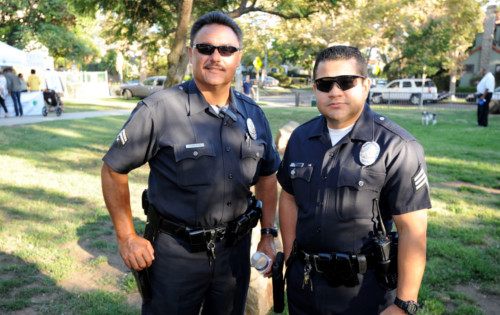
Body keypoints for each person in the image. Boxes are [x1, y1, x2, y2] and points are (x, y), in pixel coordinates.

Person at [101, 11, 280, 315]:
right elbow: (113, 169)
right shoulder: (159, 109)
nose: (215, 57)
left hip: (233, 254)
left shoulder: (254, 115)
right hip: (174, 254)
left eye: (226, 49)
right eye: (205, 48)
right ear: (191, 54)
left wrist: (267, 235)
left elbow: (267, 175)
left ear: (238, 58)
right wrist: (127, 236)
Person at [277, 46, 430, 315]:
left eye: (346, 82)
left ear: (365, 86)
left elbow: (413, 231)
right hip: (306, 288)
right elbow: (288, 197)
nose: (335, 91)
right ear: (315, 89)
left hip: (365, 292)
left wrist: (404, 305)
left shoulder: (398, 146)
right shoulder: (300, 139)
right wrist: (291, 259)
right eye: (325, 84)